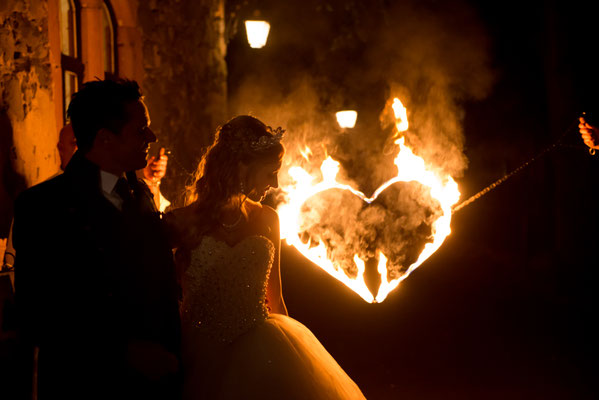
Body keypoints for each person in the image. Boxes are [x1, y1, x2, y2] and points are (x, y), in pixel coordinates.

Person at [167, 115, 365, 399]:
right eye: (270, 172)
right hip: (199, 350)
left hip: (261, 350)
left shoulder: (268, 219)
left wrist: (294, 357)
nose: (274, 183)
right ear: (242, 167)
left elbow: (276, 298)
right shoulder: (181, 222)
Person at [13, 79, 181, 399]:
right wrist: (124, 352)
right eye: (140, 130)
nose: (152, 137)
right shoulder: (44, 207)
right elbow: (39, 314)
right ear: (104, 138)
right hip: (88, 384)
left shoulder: (141, 193)